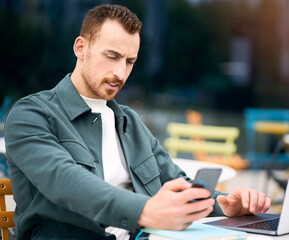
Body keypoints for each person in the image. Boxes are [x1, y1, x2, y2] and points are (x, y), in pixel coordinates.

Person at [4, 4, 271, 240]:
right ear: (81, 48)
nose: (120, 72)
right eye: (112, 56)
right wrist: (146, 211)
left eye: (130, 61)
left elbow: (176, 180)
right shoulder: (31, 115)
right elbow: (68, 183)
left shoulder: (129, 122)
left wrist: (223, 205)